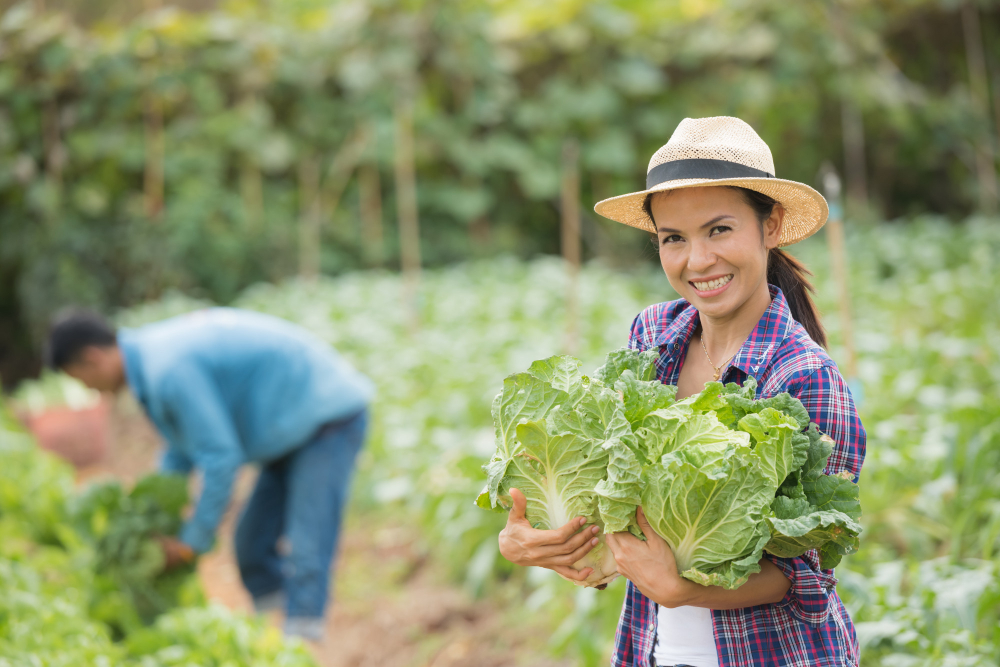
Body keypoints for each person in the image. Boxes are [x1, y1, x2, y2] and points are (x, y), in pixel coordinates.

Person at [498, 116, 865, 666]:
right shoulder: (651, 336)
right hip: (655, 647)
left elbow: (807, 576)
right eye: (673, 238)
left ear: (771, 226)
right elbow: (621, 500)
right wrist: (543, 543)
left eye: (719, 229)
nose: (697, 261)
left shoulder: (804, 375)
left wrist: (682, 589)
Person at [46, 307, 374, 641]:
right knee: (251, 545)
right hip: (287, 427)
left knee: (307, 544)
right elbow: (181, 449)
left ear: (92, 358)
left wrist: (191, 543)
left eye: (80, 379)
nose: (90, 390)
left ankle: (301, 642)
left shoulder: (167, 371)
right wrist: (154, 513)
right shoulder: (148, 365)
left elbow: (220, 458)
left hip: (326, 416)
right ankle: (274, 639)